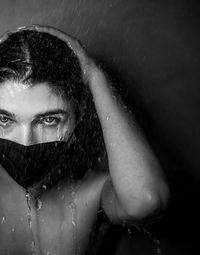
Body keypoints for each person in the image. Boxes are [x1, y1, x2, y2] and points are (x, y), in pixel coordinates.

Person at [0, 25, 169, 255]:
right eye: (4, 120)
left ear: (78, 115)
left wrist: (94, 76)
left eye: (49, 120)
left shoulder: (89, 191)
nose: (26, 141)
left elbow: (146, 201)